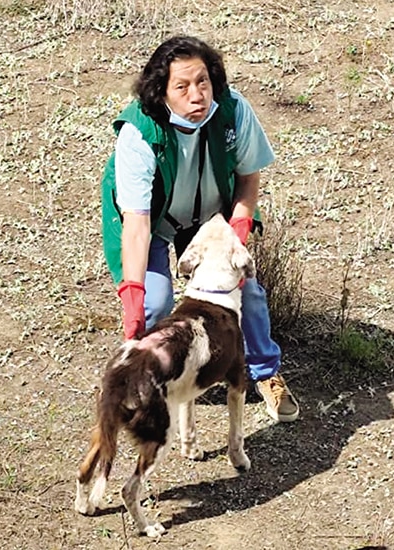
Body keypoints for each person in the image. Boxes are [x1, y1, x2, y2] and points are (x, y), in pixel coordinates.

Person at [98, 35, 299, 422]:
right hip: (153, 223)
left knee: (248, 292)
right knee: (154, 304)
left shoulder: (233, 110)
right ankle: (154, 377)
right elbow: (137, 225)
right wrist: (134, 294)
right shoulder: (137, 133)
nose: (197, 95)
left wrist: (236, 234)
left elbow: (248, 178)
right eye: (182, 86)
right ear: (161, 92)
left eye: (203, 82)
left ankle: (265, 373)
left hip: (211, 222)